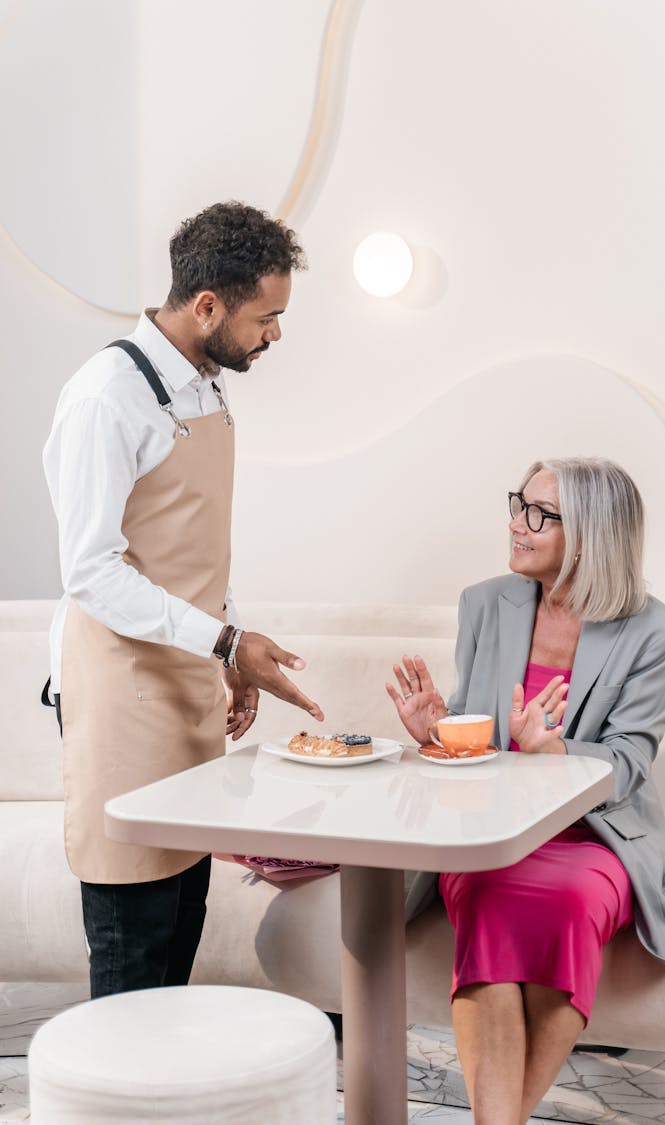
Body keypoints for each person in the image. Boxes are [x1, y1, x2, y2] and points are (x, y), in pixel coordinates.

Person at [43, 200, 324, 1000]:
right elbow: (92, 571)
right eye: (266, 318)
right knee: (134, 951)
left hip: (187, 687)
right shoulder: (107, 397)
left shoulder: (202, 386)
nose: (274, 335)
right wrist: (227, 643)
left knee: (179, 932)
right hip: (123, 695)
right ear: (208, 306)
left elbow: (189, 543)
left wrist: (223, 646)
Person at [387, 457, 665, 1125]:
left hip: (593, 834)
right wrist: (436, 731)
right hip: (491, 829)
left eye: (540, 514)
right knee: (483, 890)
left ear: (592, 535)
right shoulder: (485, 602)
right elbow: (471, 737)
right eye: (518, 503)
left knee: (572, 900)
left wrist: (555, 751)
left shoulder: (655, 632)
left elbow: (629, 763)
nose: (517, 524)